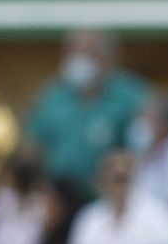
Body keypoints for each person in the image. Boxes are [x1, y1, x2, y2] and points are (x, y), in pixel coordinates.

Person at [25, 29, 150, 201]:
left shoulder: (131, 96)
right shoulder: (53, 96)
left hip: (106, 201)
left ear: (108, 57)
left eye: (87, 51)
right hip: (57, 203)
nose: (79, 58)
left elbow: (141, 150)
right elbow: (33, 148)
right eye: (73, 51)